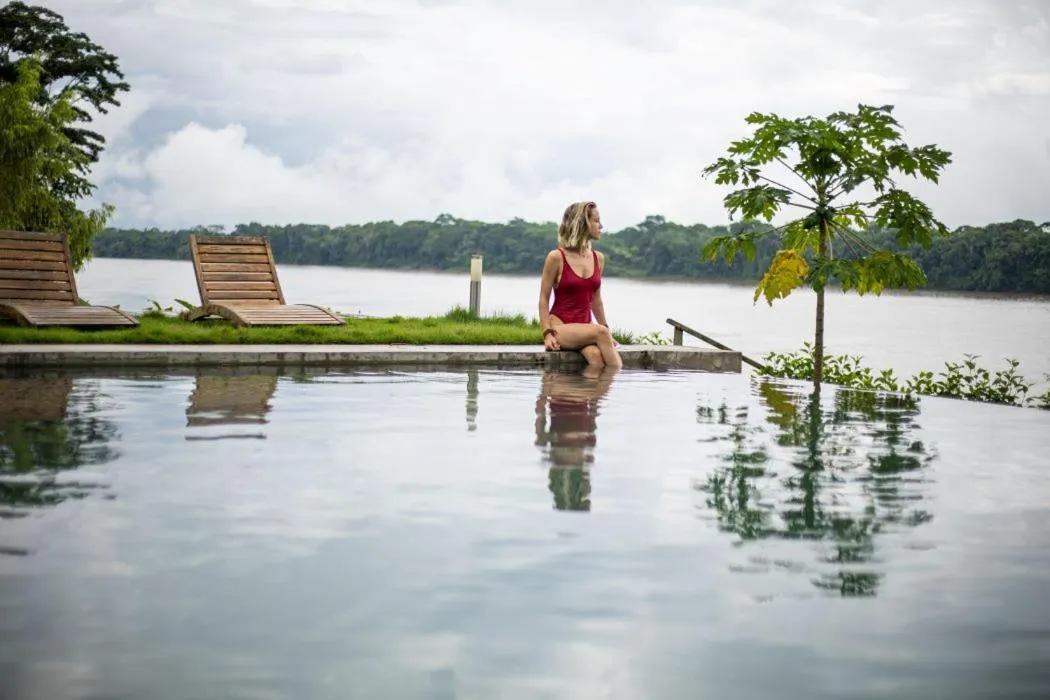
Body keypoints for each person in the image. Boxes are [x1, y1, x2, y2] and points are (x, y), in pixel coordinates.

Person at [537, 201, 623, 369]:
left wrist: (606, 332)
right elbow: (543, 299)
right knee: (601, 333)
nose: (601, 226)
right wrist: (547, 333)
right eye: (596, 221)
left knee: (596, 359)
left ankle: (582, 395)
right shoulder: (556, 257)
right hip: (560, 327)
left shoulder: (598, 258)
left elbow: (596, 300)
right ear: (583, 223)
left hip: (585, 329)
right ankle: (616, 385)